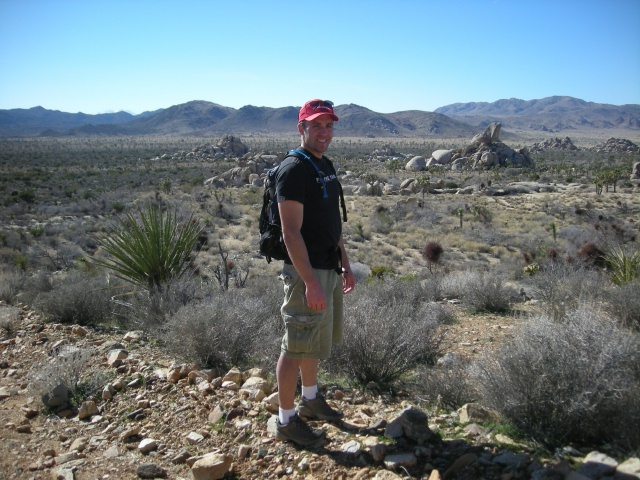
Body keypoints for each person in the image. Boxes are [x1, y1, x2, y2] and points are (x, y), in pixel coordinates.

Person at [273, 99, 356, 448]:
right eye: (316, 125)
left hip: (328, 266)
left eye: (329, 125)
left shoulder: (324, 165)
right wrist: (309, 282)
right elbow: (290, 232)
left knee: (312, 341)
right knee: (295, 344)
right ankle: (286, 420)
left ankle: (310, 399)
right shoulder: (294, 169)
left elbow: (332, 222)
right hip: (305, 271)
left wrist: (345, 263)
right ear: (301, 128)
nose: (324, 132)